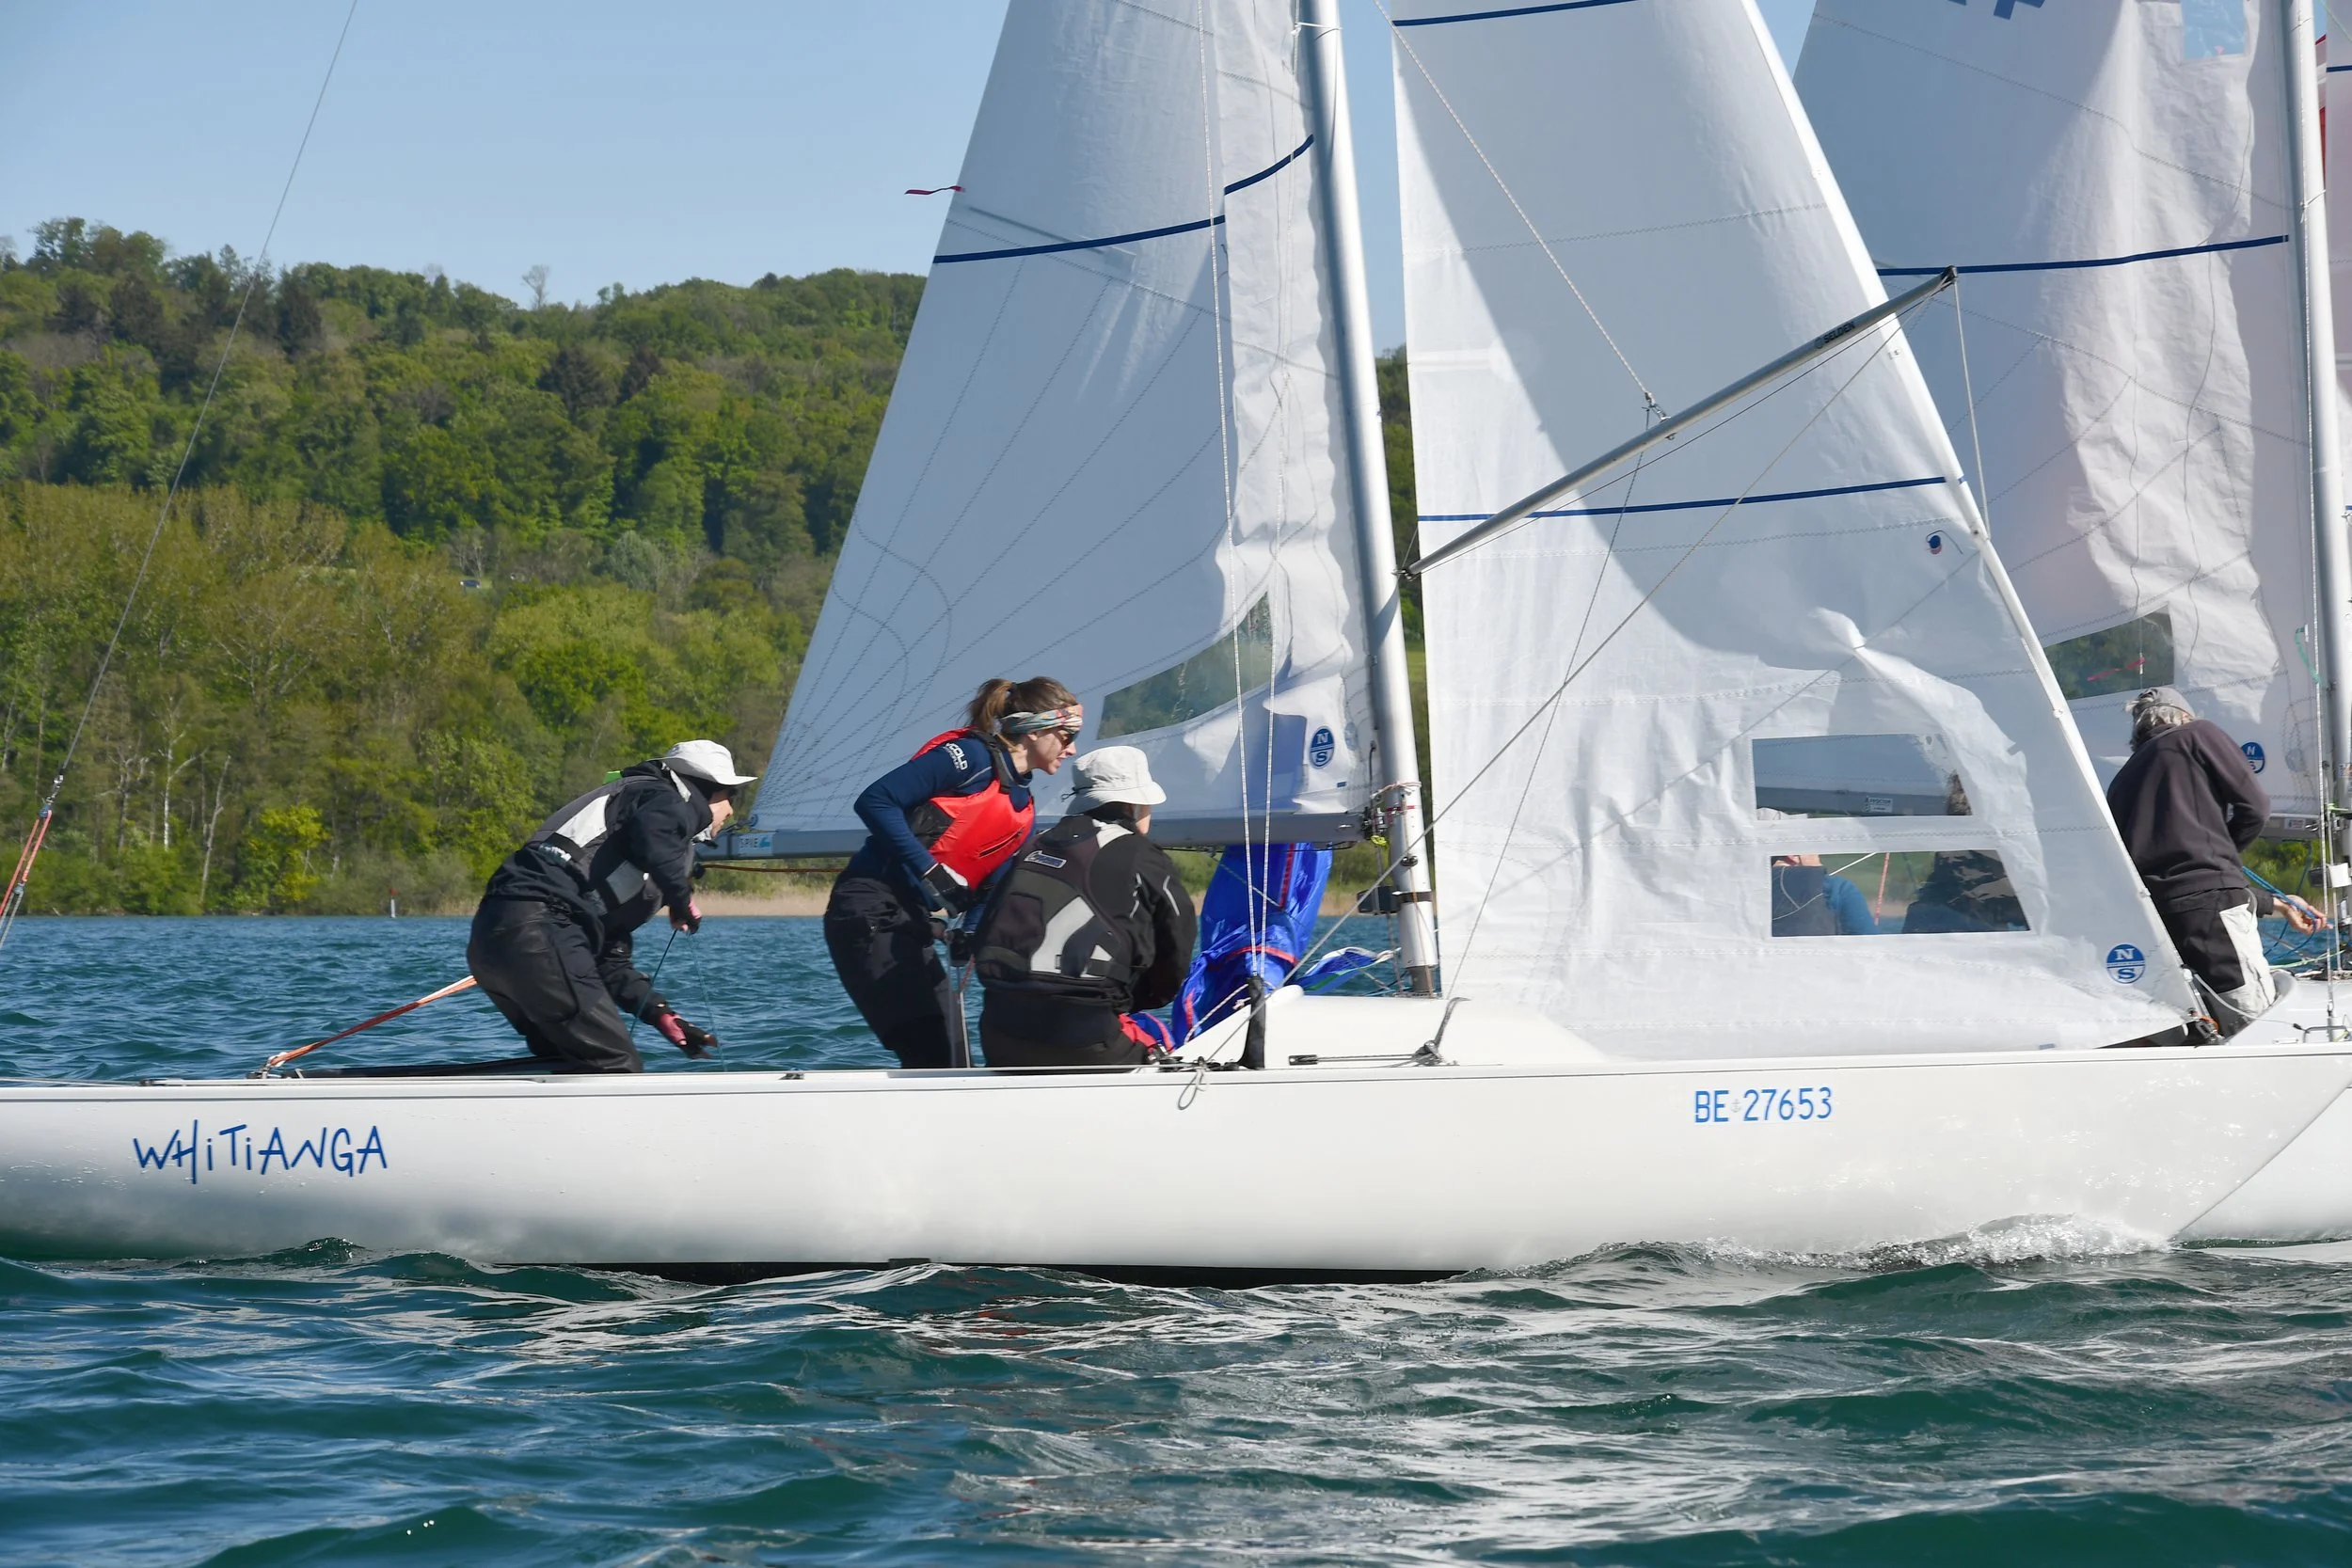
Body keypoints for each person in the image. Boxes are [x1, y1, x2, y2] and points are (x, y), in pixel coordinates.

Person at [825, 676, 1082, 1068]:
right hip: (867, 907)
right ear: (1035, 730)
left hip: (913, 921)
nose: (1072, 748)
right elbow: (876, 801)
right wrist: (930, 869)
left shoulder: (1023, 811)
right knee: (932, 1052)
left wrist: (971, 931)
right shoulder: (969, 758)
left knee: (955, 1057)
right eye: (1068, 736)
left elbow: (993, 886)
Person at [468, 739, 753, 1072]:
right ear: (704, 791)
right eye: (730, 796)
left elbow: (606, 957)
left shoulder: (631, 811)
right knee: (616, 1065)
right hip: (539, 932)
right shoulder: (661, 799)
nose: (731, 811)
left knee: (567, 1063)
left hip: (495, 939)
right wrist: (680, 896)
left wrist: (659, 1013)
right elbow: (656, 835)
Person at [2105, 686, 2319, 1033]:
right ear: (2183, 717)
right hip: (2211, 915)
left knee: (2202, 1031)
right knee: (2256, 1027)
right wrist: (2223, 855)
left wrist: (2276, 902)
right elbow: (2255, 809)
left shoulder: (2120, 783)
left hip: (2159, 922)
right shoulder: (2196, 734)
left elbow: (2180, 876)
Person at [971, 746, 1198, 1069]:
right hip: (1087, 1041)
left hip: (999, 1038)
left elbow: (987, 929)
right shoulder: (1141, 855)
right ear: (1134, 805)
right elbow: (1177, 943)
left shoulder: (1034, 845)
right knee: (1154, 1047)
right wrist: (1133, 1002)